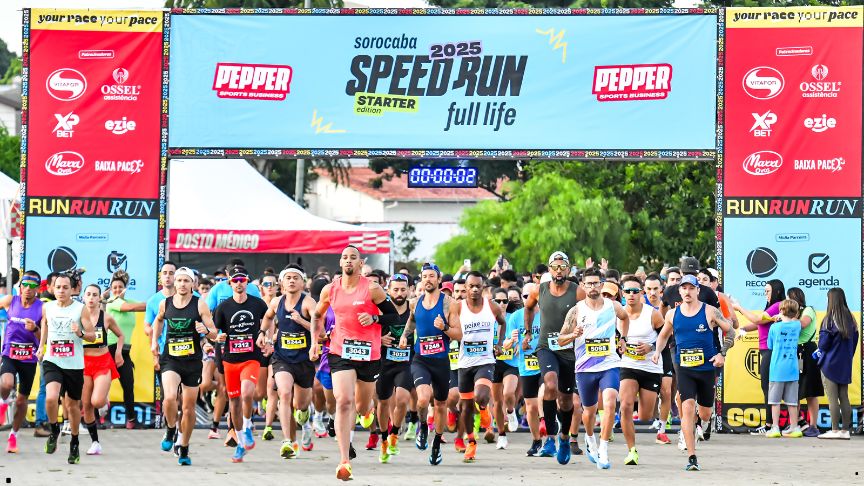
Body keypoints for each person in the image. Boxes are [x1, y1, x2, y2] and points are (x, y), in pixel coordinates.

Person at [310, 245, 399, 481]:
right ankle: (344, 460)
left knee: (361, 406)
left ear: (361, 263)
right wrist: (314, 342)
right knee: (344, 400)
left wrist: (374, 317)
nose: (348, 261)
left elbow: (393, 316)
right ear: (340, 263)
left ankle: (367, 412)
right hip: (340, 351)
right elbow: (317, 315)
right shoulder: (331, 290)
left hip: (369, 354)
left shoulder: (372, 289)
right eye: (344, 257)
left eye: (353, 258)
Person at [653, 275, 732, 471]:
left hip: (706, 369)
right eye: (684, 288)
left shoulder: (710, 311)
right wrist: (656, 352)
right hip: (685, 369)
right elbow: (663, 336)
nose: (687, 292)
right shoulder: (672, 314)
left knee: (704, 413)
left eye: (691, 288)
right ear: (679, 291)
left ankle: (703, 421)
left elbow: (731, 332)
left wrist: (722, 354)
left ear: (698, 290)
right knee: (686, 407)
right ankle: (692, 456)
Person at [557, 267, 629, 470]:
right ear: (583, 286)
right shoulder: (576, 310)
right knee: (588, 412)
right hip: (584, 367)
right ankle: (590, 440)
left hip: (609, 363)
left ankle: (604, 449)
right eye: (588, 283)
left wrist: (622, 338)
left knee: (609, 402)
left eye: (596, 283)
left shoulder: (613, 306)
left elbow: (625, 318)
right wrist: (573, 335)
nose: (593, 287)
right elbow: (561, 339)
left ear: (602, 284)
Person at [151, 266, 217, 466]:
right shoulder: (165, 303)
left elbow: (213, 333)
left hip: (192, 361)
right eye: (179, 280)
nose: (181, 284)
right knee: (170, 398)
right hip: (170, 359)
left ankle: (184, 447)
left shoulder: (200, 305)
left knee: (188, 409)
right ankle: (171, 429)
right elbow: (158, 321)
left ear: (192, 284)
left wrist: (204, 329)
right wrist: (155, 340)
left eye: (186, 281)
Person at [522, 251, 583, 464]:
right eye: (555, 267)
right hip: (546, 346)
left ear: (568, 269)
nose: (558, 270)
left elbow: (590, 313)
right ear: (549, 270)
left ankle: (564, 438)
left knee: (566, 401)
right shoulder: (540, 290)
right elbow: (528, 308)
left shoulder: (578, 292)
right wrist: (528, 332)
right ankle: (549, 437)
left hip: (569, 350)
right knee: (550, 384)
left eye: (562, 266)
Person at [38, 273, 96, 464]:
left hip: (74, 364)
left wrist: (79, 332)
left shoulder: (80, 309)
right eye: (58, 287)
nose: (61, 290)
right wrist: (41, 346)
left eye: (65, 287)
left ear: (72, 290)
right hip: (52, 360)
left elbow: (92, 336)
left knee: (72, 407)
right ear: (52, 289)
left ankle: (74, 441)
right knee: (51, 397)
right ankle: (54, 429)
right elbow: (44, 324)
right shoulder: (48, 307)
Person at [213, 266, 270, 463]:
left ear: (247, 282)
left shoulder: (257, 304)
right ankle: (239, 442)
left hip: (251, 357)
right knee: (234, 402)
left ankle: (246, 427)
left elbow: (270, 320)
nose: (238, 283)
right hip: (230, 359)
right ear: (230, 283)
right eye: (235, 280)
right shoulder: (223, 308)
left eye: (242, 280)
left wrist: (266, 337)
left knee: (247, 393)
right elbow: (214, 332)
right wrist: (217, 337)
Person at [261, 265, 317, 458]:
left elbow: (322, 332)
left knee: (300, 404)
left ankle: (305, 415)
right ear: (282, 283)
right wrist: (263, 333)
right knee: (284, 393)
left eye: (296, 278)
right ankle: (287, 441)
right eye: (288, 278)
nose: (292, 281)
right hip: (282, 358)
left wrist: (301, 321)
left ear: (303, 282)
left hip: (304, 361)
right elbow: (268, 317)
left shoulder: (309, 303)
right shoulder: (277, 302)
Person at [457, 271, 507, 463]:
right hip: (464, 363)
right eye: (471, 286)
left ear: (483, 287)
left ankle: (485, 409)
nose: (475, 289)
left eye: (479, 286)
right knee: (466, 407)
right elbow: (451, 329)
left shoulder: (491, 306)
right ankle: (471, 442)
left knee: (481, 396)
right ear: (466, 288)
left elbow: (502, 323)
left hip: (485, 360)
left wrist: (500, 343)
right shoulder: (458, 307)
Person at [615, 275, 665, 465]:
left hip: (650, 367)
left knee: (645, 416)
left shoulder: (652, 314)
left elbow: (667, 337)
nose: (631, 295)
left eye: (635, 291)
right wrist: (619, 346)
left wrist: (651, 347)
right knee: (626, 405)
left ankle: (659, 407)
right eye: (627, 291)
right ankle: (631, 451)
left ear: (641, 293)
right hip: (628, 365)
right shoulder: (617, 314)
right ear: (622, 293)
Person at [733, 278, 785, 435]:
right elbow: (759, 323)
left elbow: (757, 319)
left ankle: (769, 424)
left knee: (767, 387)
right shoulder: (772, 306)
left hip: (770, 350)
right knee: (767, 387)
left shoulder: (778, 305)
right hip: (766, 350)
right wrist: (744, 329)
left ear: (776, 291)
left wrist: (739, 307)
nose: (766, 295)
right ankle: (770, 424)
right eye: (764, 292)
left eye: (768, 291)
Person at [0, 270, 44, 452]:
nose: (27, 289)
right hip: (10, 353)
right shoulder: (11, 300)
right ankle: (2, 404)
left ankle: (13, 436)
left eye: (32, 286)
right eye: (25, 285)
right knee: (7, 383)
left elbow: (44, 337)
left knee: (21, 401)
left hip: (28, 358)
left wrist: (35, 329)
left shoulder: (42, 308)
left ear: (38, 289)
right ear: (20, 286)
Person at [80, 284, 125, 455]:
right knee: (87, 405)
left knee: (97, 402)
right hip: (84, 363)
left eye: (94, 295)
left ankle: (104, 397)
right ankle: (95, 442)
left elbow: (121, 335)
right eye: (88, 294)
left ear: (100, 298)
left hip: (103, 361)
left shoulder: (106, 318)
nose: (91, 298)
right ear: (83, 297)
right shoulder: (77, 317)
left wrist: (119, 352)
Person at [376, 273, 413, 464]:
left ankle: (394, 434)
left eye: (403, 289)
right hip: (384, 363)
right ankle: (383, 438)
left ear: (409, 290)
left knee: (402, 398)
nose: (399, 293)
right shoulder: (381, 311)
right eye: (395, 290)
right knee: (382, 403)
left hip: (406, 363)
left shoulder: (413, 310)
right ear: (388, 291)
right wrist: (379, 339)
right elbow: (365, 331)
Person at [815, 288, 859, 440]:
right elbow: (854, 342)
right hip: (845, 363)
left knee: (832, 398)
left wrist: (819, 350)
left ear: (831, 300)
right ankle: (845, 431)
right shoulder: (851, 319)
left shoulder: (829, 319)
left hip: (829, 364)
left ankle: (834, 431)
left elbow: (823, 344)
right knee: (844, 396)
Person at [105, 274, 146, 429]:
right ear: (110, 289)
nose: (117, 290)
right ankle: (96, 418)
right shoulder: (111, 302)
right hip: (110, 349)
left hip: (125, 350)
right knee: (103, 386)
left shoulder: (129, 301)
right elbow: (132, 308)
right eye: (114, 287)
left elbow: (142, 305)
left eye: (120, 287)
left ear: (125, 288)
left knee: (128, 385)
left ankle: (131, 420)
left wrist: (161, 303)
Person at [512, 282, 543, 456]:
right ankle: (536, 440)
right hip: (527, 365)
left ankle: (553, 434)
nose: (530, 299)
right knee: (530, 407)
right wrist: (518, 344)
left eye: (534, 296)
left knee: (546, 396)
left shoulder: (546, 314)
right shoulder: (516, 317)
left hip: (546, 362)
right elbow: (509, 343)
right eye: (525, 296)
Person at [786, 287, 822, 437]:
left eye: (789, 298)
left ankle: (813, 425)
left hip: (807, 351)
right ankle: (798, 422)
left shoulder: (808, 310)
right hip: (795, 352)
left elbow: (803, 324)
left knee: (811, 389)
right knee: (796, 386)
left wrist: (787, 319)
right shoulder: (791, 314)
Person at [765, 299, 802, 438]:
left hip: (777, 369)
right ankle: (794, 427)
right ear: (796, 312)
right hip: (792, 369)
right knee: (792, 401)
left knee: (775, 402)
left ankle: (775, 428)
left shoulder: (774, 328)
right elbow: (794, 319)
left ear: (781, 311)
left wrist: (779, 318)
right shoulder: (797, 325)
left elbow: (770, 345)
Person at [492, 287, 521, 449]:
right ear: (492, 302)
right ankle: (501, 435)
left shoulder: (513, 317)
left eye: (505, 301)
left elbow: (522, 333)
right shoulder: (488, 318)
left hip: (511, 361)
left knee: (508, 393)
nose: (502, 304)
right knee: (497, 401)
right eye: (498, 301)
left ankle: (511, 411)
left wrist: (518, 345)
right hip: (494, 362)